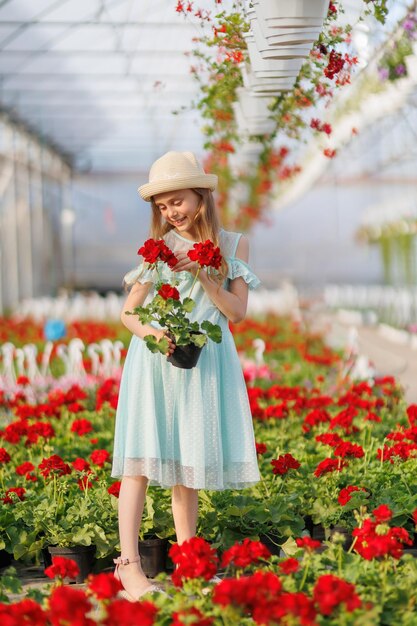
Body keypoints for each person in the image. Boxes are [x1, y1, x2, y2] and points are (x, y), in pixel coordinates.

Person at [111, 151, 261, 601]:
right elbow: (128, 313)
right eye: (162, 206)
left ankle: (190, 564)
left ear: (202, 195)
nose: (171, 212)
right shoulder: (158, 249)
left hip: (204, 363)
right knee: (139, 462)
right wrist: (154, 335)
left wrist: (205, 274)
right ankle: (128, 567)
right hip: (156, 361)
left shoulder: (234, 246)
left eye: (177, 201)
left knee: (187, 466)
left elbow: (236, 313)